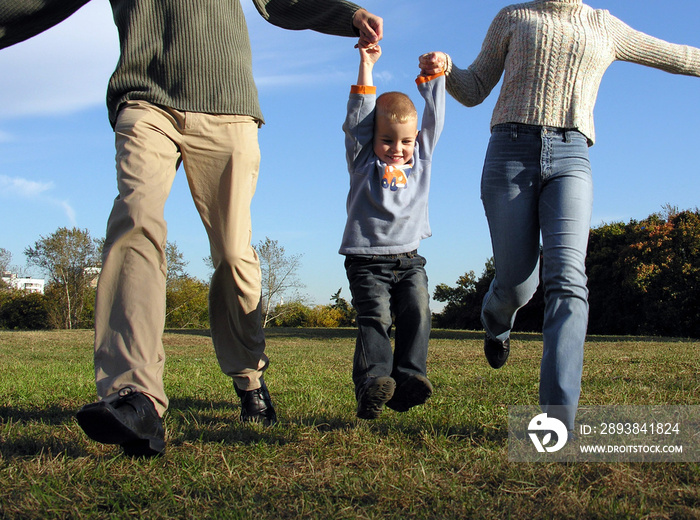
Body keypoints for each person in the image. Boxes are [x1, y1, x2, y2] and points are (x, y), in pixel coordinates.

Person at [0, 0, 383, 456]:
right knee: (135, 221)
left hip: (227, 105)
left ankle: (249, 377)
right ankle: (135, 396)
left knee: (232, 252)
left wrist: (348, 15)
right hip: (145, 100)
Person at [419, 0, 700, 431]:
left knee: (569, 278)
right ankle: (496, 322)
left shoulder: (603, 25)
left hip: (572, 155)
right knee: (516, 282)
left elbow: (675, 55)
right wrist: (447, 67)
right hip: (510, 153)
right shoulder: (514, 17)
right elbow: (474, 88)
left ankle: (558, 419)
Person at [341, 43, 445, 419]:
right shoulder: (362, 159)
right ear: (373, 138)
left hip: (409, 259)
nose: (398, 149)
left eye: (405, 141)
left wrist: (433, 79)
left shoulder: (422, 159)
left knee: (418, 311)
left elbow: (433, 121)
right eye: (387, 140)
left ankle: (409, 381)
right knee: (376, 320)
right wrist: (366, 65)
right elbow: (358, 120)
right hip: (366, 260)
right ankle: (372, 384)